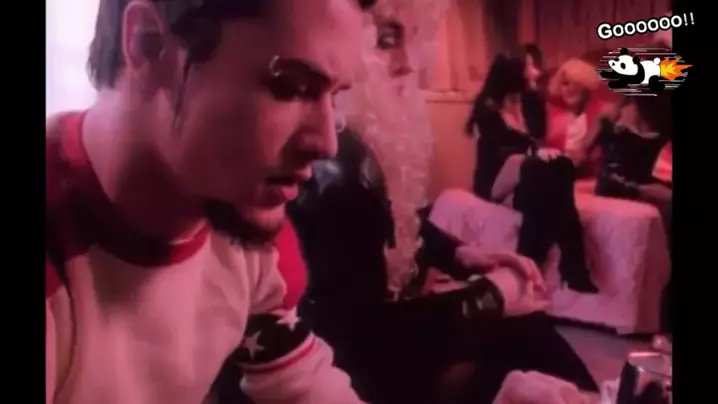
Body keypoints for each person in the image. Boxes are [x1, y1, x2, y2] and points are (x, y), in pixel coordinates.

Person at [45, 0, 378, 403]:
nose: (327, 144)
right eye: (290, 86)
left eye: (334, 97)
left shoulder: (242, 212)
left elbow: (302, 382)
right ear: (148, 43)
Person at [288, 3, 597, 403]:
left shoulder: (358, 151)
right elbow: (361, 336)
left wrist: (463, 254)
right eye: (387, 39)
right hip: (357, 375)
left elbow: (398, 226)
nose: (409, 64)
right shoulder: (335, 165)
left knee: (529, 329)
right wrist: (492, 296)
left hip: (379, 344)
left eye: (412, 39)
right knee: (521, 342)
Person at [466, 55, 598, 293]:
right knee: (538, 168)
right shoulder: (487, 108)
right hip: (496, 180)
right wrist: (532, 156)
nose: (536, 71)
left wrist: (540, 154)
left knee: (560, 168)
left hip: (525, 178)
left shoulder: (529, 104)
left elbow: (537, 142)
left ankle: (542, 260)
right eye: (529, 66)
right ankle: (570, 260)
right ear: (513, 73)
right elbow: (495, 156)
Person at [545, 58, 606, 177]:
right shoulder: (551, 116)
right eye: (565, 84)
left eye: (576, 84)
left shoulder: (602, 112)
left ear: (586, 87)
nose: (570, 89)